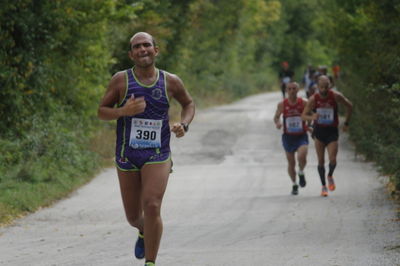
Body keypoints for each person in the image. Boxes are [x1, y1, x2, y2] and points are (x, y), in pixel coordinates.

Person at [98, 32, 195, 266]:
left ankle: (150, 262)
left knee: (152, 204)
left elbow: (188, 104)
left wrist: (184, 124)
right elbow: (102, 111)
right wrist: (123, 111)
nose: (142, 49)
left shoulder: (170, 81)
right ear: (131, 54)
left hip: (157, 153)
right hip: (127, 154)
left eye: (146, 45)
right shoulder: (120, 80)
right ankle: (143, 231)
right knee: (134, 217)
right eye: (137, 47)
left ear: (155, 50)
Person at [301, 75, 352, 197]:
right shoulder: (313, 99)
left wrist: (346, 123)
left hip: (332, 132)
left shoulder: (335, 96)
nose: (324, 89)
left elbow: (349, 106)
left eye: (326, 87)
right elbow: (303, 116)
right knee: (321, 161)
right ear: (317, 87)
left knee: (333, 159)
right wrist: (312, 117)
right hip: (319, 132)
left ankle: (330, 176)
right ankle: (323, 186)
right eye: (321, 87)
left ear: (330, 85)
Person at [274, 82, 309, 195]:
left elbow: (311, 114)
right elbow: (276, 117)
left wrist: (310, 124)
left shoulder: (303, 102)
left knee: (302, 156)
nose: (292, 91)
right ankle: (294, 184)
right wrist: (278, 123)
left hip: (301, 135)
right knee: (291, 163)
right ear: (286, 91)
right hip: (288, 137)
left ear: (298, 90)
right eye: (289, 89)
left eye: (294, 88)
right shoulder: (282, 104)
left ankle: (301, 172)